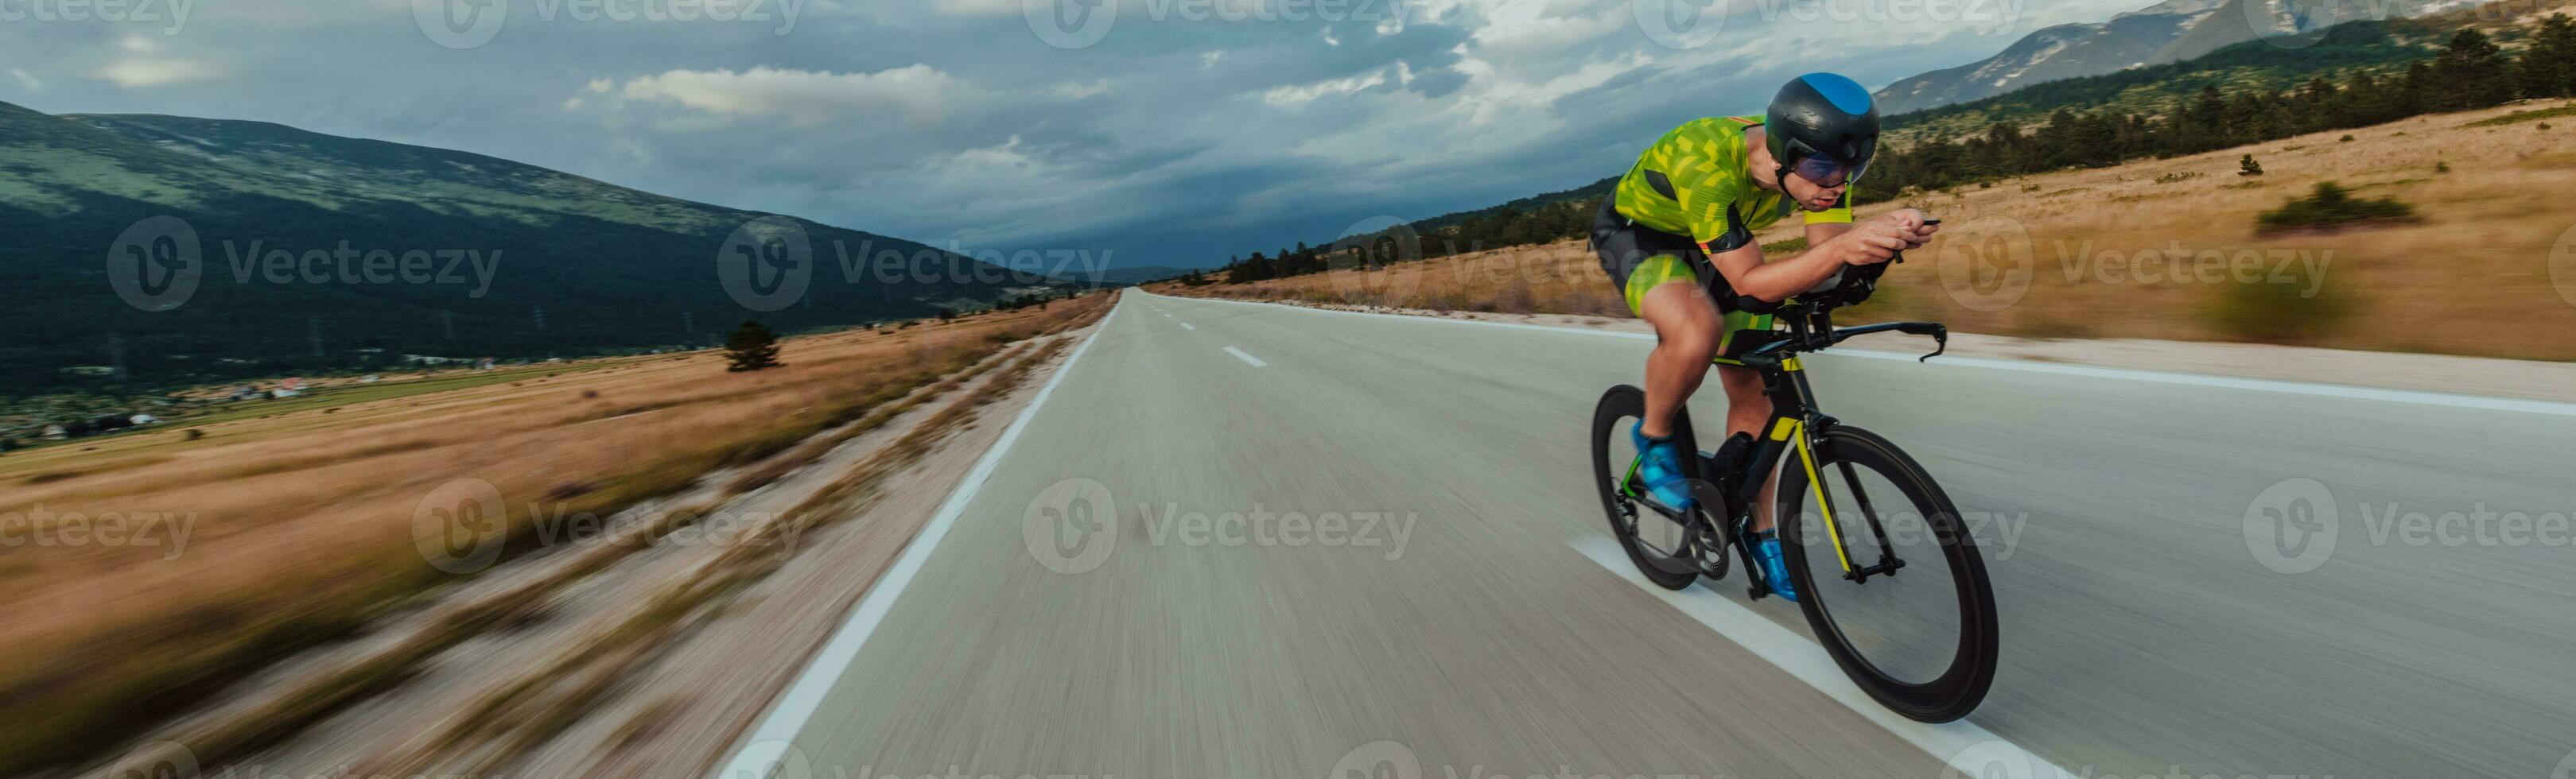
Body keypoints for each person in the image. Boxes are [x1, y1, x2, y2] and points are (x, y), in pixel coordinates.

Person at [1590, 72, 1937, 602]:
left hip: (1719, 247)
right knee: (1696, 330)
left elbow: (1823, 267)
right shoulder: (1706, 164)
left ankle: (1759, 531)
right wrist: (1843, 249)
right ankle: (1654, 435)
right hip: (1642, 239)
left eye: (1852, 169)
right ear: (1781, 153)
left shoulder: (1825, 170)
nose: (1837, 185)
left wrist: (1887, 236)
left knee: (1757, 380)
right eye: (1823, 169)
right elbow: (1750, 281)